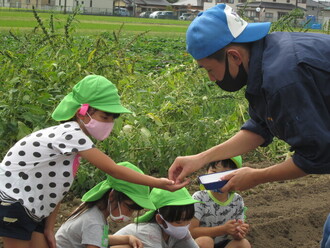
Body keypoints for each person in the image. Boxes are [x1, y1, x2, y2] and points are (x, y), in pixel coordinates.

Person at [167, 3, 330, 246]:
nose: (211, 79)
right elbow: (261, 126)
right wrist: (200, 158)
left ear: (233, 55)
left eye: (210, 70)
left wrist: (257, 176)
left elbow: (316, 155)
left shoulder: (283, 77)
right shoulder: (267, 59)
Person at [0, 75, 187, 248]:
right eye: (104, 117)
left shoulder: (70, 150)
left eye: (112, 119)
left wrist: (49, 228)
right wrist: (159, 184)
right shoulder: (71, 134)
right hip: (13, 203)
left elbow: (55, 191)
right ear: (83, 112)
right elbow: (113, 169)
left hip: (33, 209)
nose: (108, 123)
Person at [55, 161, 154, 248]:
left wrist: (128, 238)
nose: (129, 215)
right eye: (129, 208)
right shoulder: (94, 222)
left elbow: (98, 237)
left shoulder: (94, 212)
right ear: (112, 196)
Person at [114, 187, 214, 248]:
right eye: (179, 222)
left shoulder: (178, 230)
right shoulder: (149, 232)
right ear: (160, 219)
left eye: (188, 220)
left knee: (205, 242)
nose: (184, 226)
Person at [190, 156, 250, 248]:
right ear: (206, 173)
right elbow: (191, 231)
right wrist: (223, 230)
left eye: (224, 174)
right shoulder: (199, 197)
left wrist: (238, 232)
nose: (217, 178)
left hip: (222, 243)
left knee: (243, 244)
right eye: (213, 172)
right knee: (205, 241)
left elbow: (237, 233)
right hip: (198, 243)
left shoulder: (237, 200)